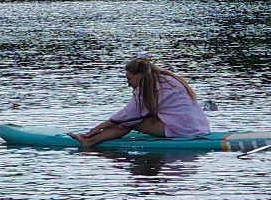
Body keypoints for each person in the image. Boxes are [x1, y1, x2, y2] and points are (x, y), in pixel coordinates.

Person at [68, 57, 210, 151]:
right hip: (200, 125)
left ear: (140, 76)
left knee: (130, 122)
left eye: (129, 80)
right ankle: (92, 139)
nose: (129, 84)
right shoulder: (167, 78)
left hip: (185, 129)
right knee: (135, 119)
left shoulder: (146, 88)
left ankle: (89, 142)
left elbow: (125, 116)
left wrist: (93, 130)